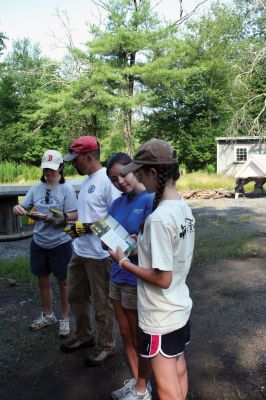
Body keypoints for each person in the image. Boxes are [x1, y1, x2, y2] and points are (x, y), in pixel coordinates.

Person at [109, 139, 195, 400]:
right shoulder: (181, 206)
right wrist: (140, 247)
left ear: (153, 173)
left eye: (139, 171)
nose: (135, 177)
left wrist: (124, 262)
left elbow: (162, 278)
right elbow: (171, 253)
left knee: (166, 385)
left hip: (160, 315)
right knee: (178, 370)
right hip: (179, 307)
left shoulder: (158, 217)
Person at [61, 135, 120, 367]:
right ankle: (84, 335)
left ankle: (106, 345)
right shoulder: (85, 181)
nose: (72, 163)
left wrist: (87, 227)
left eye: (75, 159)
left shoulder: (107, 181)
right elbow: (85, 213)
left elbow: (117, 219)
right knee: (75, 296)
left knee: (102, 302)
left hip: (100, 255)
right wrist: (67, 218)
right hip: (80, 251)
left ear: (88, 157)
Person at [13, 150, 78, 337]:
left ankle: (65, 318)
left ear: (60, 167)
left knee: (64, 283)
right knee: (42, 281)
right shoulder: (36, 188)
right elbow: (22, 207)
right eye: (46, 169)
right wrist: (18, 208)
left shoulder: (66, 189)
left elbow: (74, 214)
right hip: (39, 243)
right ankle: (49, 315)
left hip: (60, 243)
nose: (48, 172)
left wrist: (55, 217)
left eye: (52, 169)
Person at [106, 153, 154, 399]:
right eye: (114, 179)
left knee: (139, 337)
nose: (120, 182)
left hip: (136, 280)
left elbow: (148, 245)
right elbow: (112, 236)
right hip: (116, 276)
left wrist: (134, 245)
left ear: (135, 170)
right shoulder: (116, 204)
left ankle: (143, 388)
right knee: (125, 334)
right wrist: (106, 241)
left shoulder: (150, 200)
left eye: (123, 174)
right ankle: (137, 383)